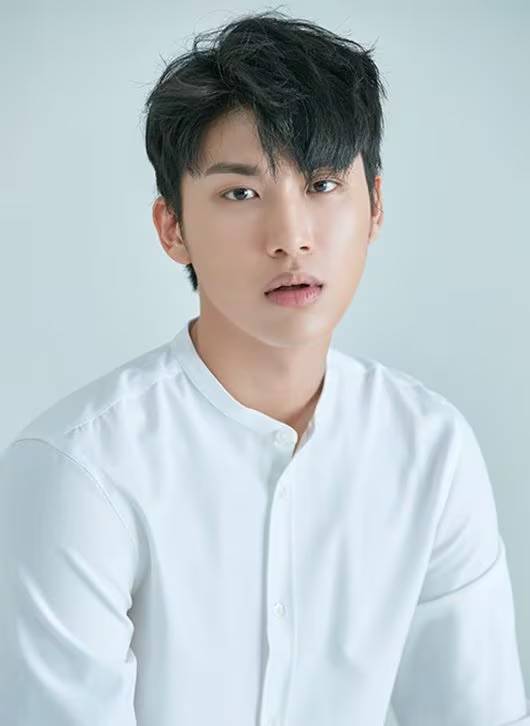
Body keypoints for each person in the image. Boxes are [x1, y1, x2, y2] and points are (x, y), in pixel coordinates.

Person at [0, 9, 528, 726]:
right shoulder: (78, 470)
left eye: (322, 184)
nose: (290, 238)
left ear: (374, 206)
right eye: (240, 193)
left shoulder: (430, 450)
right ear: (173, 228)